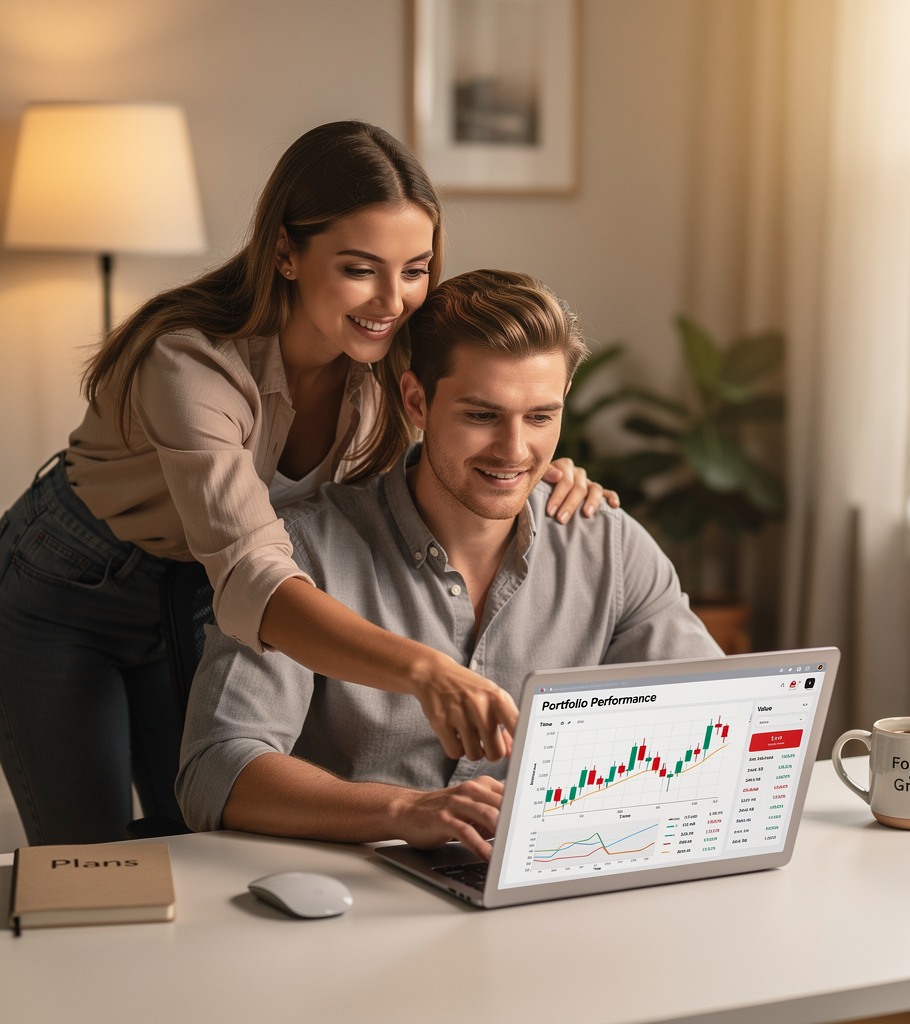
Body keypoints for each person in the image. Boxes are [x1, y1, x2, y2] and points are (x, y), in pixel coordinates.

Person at [0, 123, 609, 846]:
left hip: (204, 596)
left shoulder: (386, 367)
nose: (394, 300)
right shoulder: (190, 363)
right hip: (72, 590)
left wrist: (539, 467)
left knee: (206, 837)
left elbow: (463, 440)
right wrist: (428, 671)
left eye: (415, 268)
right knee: (90, 864)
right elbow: (256, 574)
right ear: (285, 252)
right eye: (361, 269)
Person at [176, 269, 723, 859]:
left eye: (540, 417)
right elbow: (216, 770)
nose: (514, 452)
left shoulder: (608, 546)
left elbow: (714, 723)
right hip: (357, 898)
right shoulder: (306, 553)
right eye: (482, 415)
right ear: (417, 400)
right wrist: (402, 811)